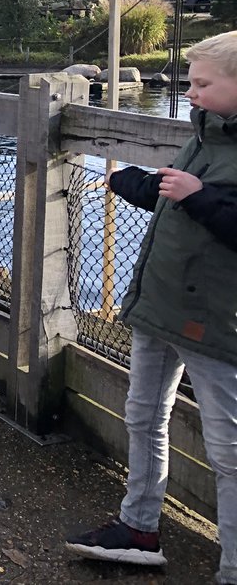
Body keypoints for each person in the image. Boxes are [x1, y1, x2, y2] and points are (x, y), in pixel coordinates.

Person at [67, 30, 237, 581]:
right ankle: (139, 526)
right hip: (159, 306)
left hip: (215, 322)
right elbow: (177, 198)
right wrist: (134, 184)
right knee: (142, 415)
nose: (191, 91)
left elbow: (207, 206)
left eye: (204, 84)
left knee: (229, 451)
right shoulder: (203, 134)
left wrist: (197, 196)